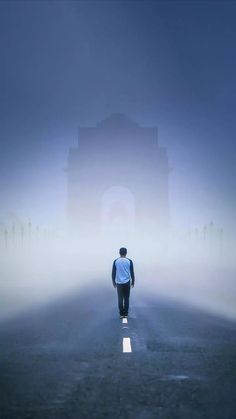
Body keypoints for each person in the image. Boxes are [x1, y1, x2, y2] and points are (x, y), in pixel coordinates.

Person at [112, 247, 135, 318]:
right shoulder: (129, 261)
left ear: (119, 253)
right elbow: (132, 272)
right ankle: (126, 314)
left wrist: (114, 282)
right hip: (127, 282)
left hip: (119, 282)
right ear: (126, 253)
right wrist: (133, 282)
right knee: (126, 298)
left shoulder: (116, 261)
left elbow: (113, 273)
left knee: (120, 298)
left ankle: (121, 314)